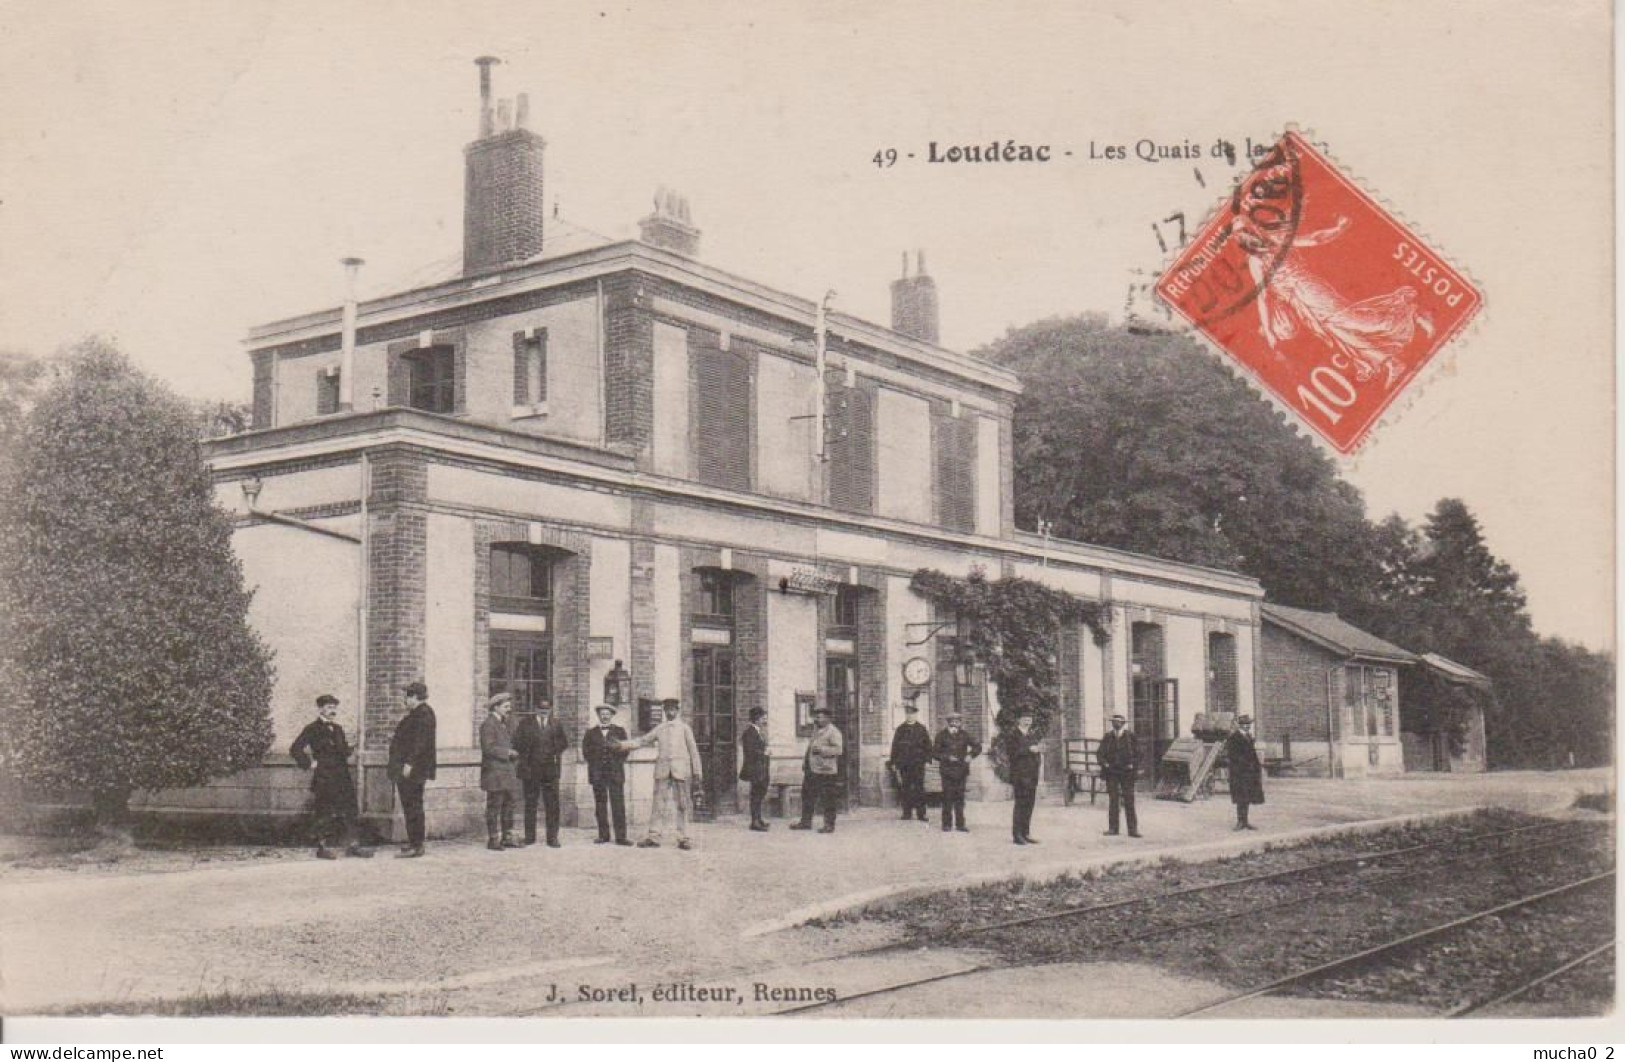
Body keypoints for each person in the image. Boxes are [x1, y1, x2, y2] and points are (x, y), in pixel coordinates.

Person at [289, 694, 372, 859]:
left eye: (334, 707)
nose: (332, 711)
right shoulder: (312, 728)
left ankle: (353, 846)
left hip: (342, 776)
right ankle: (322, 847)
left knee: (350, 809)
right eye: (329, 707)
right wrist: (309, 763)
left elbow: (342, 752)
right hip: (325, 777)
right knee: (324, 812)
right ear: (320, 709)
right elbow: (295, 748)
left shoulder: (338, 729)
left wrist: (351, 747)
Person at [623, 699, 704, 850]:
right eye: (667, 709)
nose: (670, 712)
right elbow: (643, 740)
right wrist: (622, 745)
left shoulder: (685, 728)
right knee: (658, 804)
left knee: (682, 805)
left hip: (680, 771)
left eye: (672, 709)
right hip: (662, 771)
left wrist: (697, 773)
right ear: (664, 711)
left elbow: (694, 752)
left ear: (677, 710)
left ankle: (684, 837)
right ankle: (654, 836)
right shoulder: (660, 728)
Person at [386, 681, 436, 858]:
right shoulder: (417, 714)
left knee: (413, 806)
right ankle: (414, 843)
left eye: (407, 696)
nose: (404, 700)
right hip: (410, 768)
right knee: (411, 806)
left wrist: (409, 764)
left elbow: (419, 743)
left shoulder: (423, 715)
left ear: (415, 697)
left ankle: (416, 845)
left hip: (412, 770)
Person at [515, 700, 570, 847]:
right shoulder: (525, 724)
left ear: (551, 709)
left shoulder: (556, 724)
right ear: (535, 708)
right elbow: (516, 742)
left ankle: (552, 838)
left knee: (552, 804)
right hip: (531, 770)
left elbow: (564, 743)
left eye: (547, 709)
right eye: (541, 708)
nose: (544, 711)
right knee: (530, 803)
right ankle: (529, 837)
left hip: (550, 771)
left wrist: (553, 750)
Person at [581, 704, 632, 846]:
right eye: (602, 714)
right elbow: (586, 752)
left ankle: (621, 837)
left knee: (618, 805)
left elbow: (625, 750)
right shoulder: (590, 733)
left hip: (615, 773)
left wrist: (616, 762)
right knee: (600, 805)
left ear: (612, 715)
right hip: (598, 774)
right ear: (598, 715)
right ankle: (603, 835)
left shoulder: (620, 731)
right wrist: (595, 764)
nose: (605, 716)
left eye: (607, 714)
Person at [479, 692, 522, 851]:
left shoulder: (506, 723)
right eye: (505, 707)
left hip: (508, 772)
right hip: (494, 773)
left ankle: (507, 837)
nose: (508, 709)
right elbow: (488, 748)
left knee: (508, 805)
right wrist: (507, 753)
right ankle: (493, 839)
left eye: (509, 706)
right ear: (495, 707)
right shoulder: (488, 724)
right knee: (494, 806)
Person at [791, 706, 843, 833]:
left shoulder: (833, 732)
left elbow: (838, 750)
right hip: (812, 770)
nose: (817, 719)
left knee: (828, 799)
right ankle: (805, 822)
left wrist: (822, 750)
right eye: (816, 717)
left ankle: (829, 825)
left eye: (819, 717)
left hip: (826, 771)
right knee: (807, 796)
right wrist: (805, 762)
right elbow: (810, 748)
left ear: (827, 719)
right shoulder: (816, 730)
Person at [934, 712, 980, 833]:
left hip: (961, 771)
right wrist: (947, 757)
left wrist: (971, 755)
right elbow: (935, 753)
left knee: (960, 798)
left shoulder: (965, 735)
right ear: (948, 722)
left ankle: (960, 824)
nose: (955, 724)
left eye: (957, 721)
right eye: (952, 721)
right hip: (947, 771)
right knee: (947, 797)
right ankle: (946, 824)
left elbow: (977, 746)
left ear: (960, 723)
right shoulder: (941, 736)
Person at [1098, 712, 1142, 838]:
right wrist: (1104, 763)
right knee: (1113, 800)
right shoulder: (1108, 737)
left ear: (1123, 723)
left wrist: (1133, 765)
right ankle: (1113, 828)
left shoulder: (1130, 737)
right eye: (1113, 721)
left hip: (1127, 772)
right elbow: (1100, 753)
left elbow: (1139, 754)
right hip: (1112, 772)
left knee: (1129, 800)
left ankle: (1133, 830)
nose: (1114, 723)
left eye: (1117, 721)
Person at [888, 701, 932, 822]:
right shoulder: (900, 729)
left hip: (918, 764)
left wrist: (927, 759)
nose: (909, 716)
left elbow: (928, 746)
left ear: (916, 715)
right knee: (906, 788)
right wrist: (893, 762)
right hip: (904, 764)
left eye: (912, 713)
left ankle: (921, 814)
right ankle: (906, 813)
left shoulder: (922, 729)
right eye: (907, 713)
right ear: (905, 715)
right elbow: (895, 747)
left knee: (919, 788)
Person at [1003, 712, 1042, 845]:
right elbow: (1011, 753)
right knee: (1020, 804)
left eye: (1029, 719)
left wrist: (1037, 756)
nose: (1027, 721)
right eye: (1025, 719)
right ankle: (1017, 835)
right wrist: (1029, 750)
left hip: (1032, 775)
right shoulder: (1013, 735)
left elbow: (1036, 752)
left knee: (1029, 804)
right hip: (1019, 775)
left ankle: (1026, 832)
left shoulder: (1032, 734)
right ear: (1019, 720)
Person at [1226, 714, 1265, 831]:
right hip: (1239, 772)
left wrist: (1257, 766)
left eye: (1249, 724)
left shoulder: (1248, 737)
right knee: (1240, 797)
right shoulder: (1234, 738)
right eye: (1245, 724)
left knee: (1247, 797)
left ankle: (1245, 821)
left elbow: (1252, 754)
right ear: (1240, 725)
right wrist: (1247, 765)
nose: (1248, 726)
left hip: (1249, 772)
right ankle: (1240, 822)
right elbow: (1233, 756)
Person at [738, 706, 771, 831]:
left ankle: (758, 819)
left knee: (759, 794)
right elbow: (750, 751)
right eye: (763, 718)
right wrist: (765, 753)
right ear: (757, 719)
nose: (765, 720)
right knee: (756, 795)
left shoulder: (757, 731)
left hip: (761, 769)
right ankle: (755, 822)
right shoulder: (749, 733)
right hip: (755, 769)